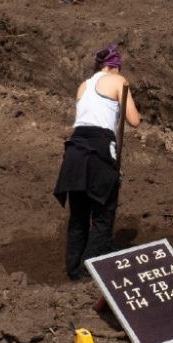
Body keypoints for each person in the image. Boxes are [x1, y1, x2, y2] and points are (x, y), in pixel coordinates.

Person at [53, 45, 141, 280]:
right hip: (98, 151)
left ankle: (74, 270)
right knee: (103, 216)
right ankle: (91, 272)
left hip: (74, 151)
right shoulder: (118, 81)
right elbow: (134, 120)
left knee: (79, 216)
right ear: (114, 67)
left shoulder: (83, 86)